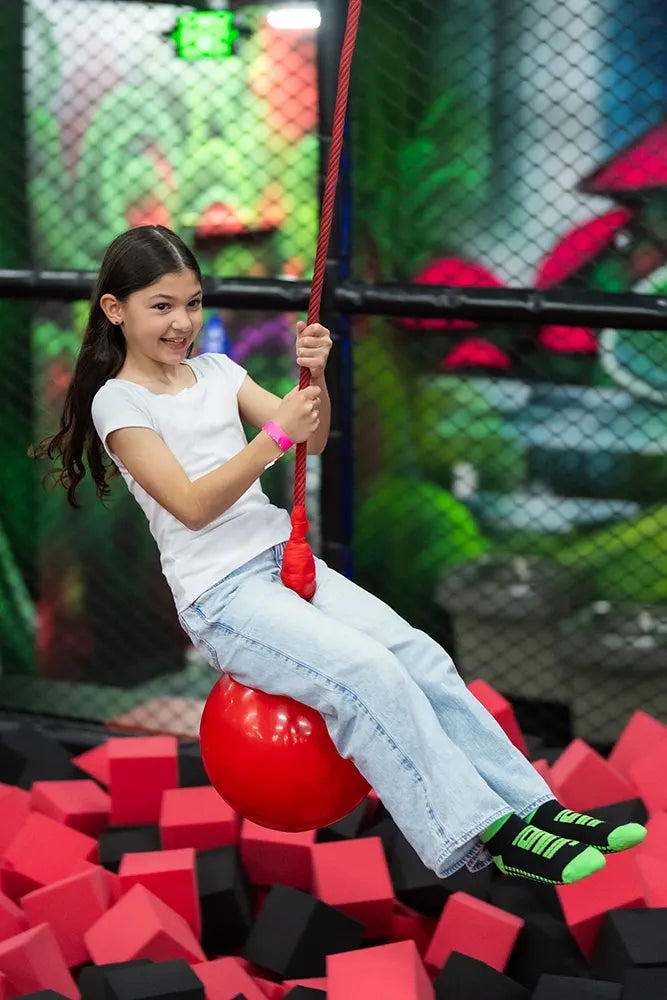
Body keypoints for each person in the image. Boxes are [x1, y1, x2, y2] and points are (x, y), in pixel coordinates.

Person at [35, 225, 646, 885]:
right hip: (224, 597)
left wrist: (313, 379)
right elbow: (190, 504)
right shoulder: (117, 402)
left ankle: (534, 807)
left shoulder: (217, 371)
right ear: (114, 309)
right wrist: (273, 434)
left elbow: (313, 440)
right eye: (162, 306)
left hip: (283, 561)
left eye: (193, 303)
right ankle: (489, 833)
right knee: (366, 672)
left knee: (421, 657)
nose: (182, 321)